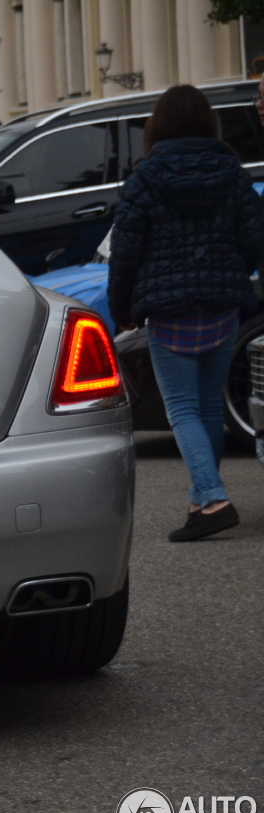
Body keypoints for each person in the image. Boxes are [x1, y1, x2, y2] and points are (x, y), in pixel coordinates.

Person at [108, 84, 264, 542]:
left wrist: (123, 310)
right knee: (209, 405)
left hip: (169, 309)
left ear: (158, 126)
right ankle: (200, 500)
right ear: (206, 123)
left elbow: (125, 253)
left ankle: (214, 499)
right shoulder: (232, 174)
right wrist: (241, 273)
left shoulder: (144, 181)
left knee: (181, 409)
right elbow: (255, 235)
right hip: (221, 304)